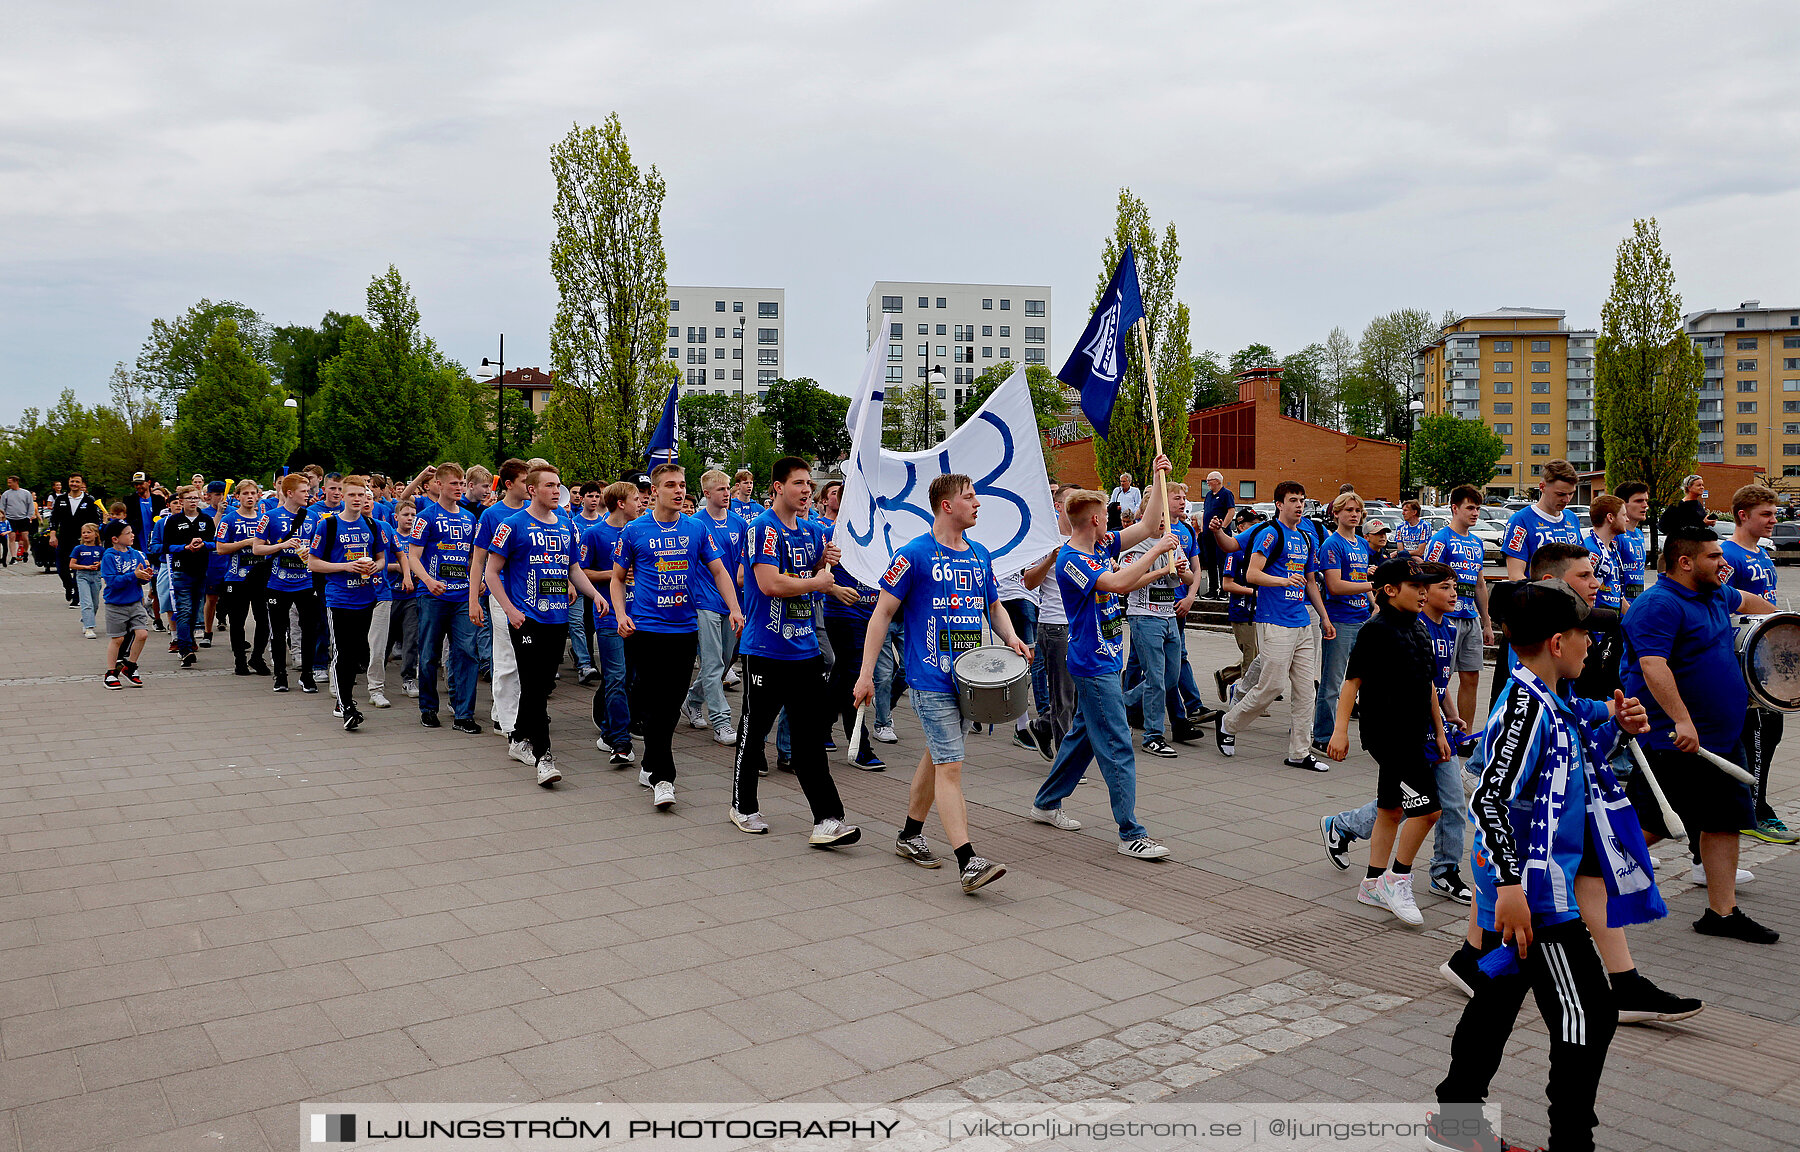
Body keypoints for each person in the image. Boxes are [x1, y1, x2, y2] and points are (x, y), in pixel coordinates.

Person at [1431, 579, 1657, 1152]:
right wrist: (1508, 886)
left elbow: (1568, 765)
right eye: (1585, 634)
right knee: (1591, 1015)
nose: (1592, 646)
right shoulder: (1527, 706)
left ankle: (1455, 1125)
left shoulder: (1547, 699)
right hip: (1534, 892)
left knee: (1497, 1000)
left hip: (1530, 885)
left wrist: (1613, 727)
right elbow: (1489, 797)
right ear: (1559, 642)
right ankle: (1570, 1141)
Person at [856, 472, 1033, 890]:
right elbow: (881, 615)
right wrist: (866, 675)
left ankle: (909, 834)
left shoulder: (979, 555)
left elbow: (994, 606)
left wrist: (1012, 638)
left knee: (938, 757)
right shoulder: (912, 554)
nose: (977, 504)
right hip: (930, 678)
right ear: (946, 505)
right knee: (951, 765)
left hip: (972, 680)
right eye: (970, 497)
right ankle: (968, 860)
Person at [1621, 527, 1779, 943]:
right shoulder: (1657, 604)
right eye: (1713, 557)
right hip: (1675, 741)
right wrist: (1681, 721)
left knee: (1725, 822)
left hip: (1723, 738)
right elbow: (1654, 666)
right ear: (1685, 562)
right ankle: (1572, 896)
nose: (1723, 563)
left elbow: (1750, 602)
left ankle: (1721, 913)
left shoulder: (1716, 594)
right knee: (1647, 828)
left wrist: (1785, 626)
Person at [1030, 475, 1181, 859]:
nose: (1111, 523)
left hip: (1106, 658)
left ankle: (1046, 803)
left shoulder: (1102, 545)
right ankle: (1131, 832)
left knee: (1082, 738)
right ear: (1095, 520)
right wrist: (1157, 551)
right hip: (1092, 663)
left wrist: (1158, 474)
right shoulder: (1071, 561)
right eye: (1106, 515)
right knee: (1116, 744)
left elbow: (1147, 525)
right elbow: (1115, 583)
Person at [1321, 561, 1473, 903]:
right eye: (1415, 586)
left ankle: (1372, 883)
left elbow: (1429, 687)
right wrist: (1339, 731)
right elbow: (1351, 683)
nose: (1423, 592)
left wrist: (1440, 729)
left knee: (1391, 810)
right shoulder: (1375, 630)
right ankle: (1398, 878)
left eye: (1425, 586)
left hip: (1418, 732)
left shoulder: (1419, 627)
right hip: (1388, 735)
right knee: (1429, 810)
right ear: (1390, 590)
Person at [729, 457, 860, 843]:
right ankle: (743, 805)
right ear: (777, 487)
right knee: (755, 733)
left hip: (804, 650)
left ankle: (827, 819)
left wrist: (824, 564)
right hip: (766, 650)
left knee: (809, 736)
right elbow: (770, 584)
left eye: (808, 483)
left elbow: (811, 574)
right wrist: (820, 581)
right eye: (798, 483)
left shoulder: (811, 530)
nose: (806, 490)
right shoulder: (762, 529)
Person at [611, 463, 742, 811]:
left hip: (685, 629)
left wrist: (734, 607)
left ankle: (649, 763)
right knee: (653, 702)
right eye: (671, 485)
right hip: (646, 629)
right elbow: (617, 577)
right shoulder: (635, 530)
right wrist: (621, 614)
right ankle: (663, 777)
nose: (679, 490)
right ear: (655, 491)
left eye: (682, 485)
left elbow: (719, 570)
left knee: (671, 704)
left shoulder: (696, 529)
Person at [485, 465, 610, 786]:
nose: (558, 491)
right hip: (525, 619)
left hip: (557, 618)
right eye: (550, 486)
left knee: (540, 684)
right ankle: (544, 756)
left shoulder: (567, 526)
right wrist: (510, 609)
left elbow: (574, 569)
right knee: (534, 683)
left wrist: (594, 594)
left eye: (559, 486)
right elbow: (491, 572)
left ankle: (518, 738)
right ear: (532, 490)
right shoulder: (512, 525)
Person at [1215, 480, 1336, 769]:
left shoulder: (1306, 538)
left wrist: (1324, 618)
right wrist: (1282, 580)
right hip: (1274, 621)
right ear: (1279, 504)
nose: (1299, 505)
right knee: (1272, 685)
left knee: (1306, 690)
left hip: (1301, 622)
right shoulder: (1268, 534)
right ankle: (1228, 725)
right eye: (1293, 500)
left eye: (1302, 500)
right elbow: (1253, 574)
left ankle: (1299, 752)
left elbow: (1310, 582)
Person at [1720, 484, 1797, 846]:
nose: (1774, 520)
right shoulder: (1727, 555)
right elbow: (1719, 605)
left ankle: (1759, 805)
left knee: (1773, 733)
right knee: (1754, 736)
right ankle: (1752, 811)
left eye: (1774, 512)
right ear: (1742, 516)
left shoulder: (1763, 556)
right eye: (1766, 514)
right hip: (1742, 662)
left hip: (1767, 661)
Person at [1121, 483, 1203, 758]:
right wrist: (1161, 571)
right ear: (1147, 516)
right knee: (1155, 678)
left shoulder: (1171, 541)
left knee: (1170, 677)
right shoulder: (1134, 546)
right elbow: (1128, 582)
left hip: (1169, 618)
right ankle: (1153, 736)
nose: (1163, 524)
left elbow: (1191, 577)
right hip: (1144, 618)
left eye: (1166, 520)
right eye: (1159, 519)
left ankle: (1120, 704)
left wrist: (1182, 572)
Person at [1493, 458, 1585, 707]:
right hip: (1540, 613)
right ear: (1543, 487)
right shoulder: (1521, 521)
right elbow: (1515, 574)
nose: (1566, 500)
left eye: (1570, 494)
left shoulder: (1572, 520)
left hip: (1570, 613)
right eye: (1560, 494)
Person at [306, 476, 386, 732]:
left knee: (358, 653)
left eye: (361, 495)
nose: (357, 499)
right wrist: (345, 566)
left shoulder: (373, 525)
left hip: (366, 596)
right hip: (339, 598)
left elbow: (382, 558)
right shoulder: (328, 526)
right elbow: (313, 563)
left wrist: (375, 566)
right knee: (343, 651)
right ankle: (347, 706)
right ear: (342, 496)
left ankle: (346, 698)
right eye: (351, 495)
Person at [409, 463, 482, 733]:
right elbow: (412, 556)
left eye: (462, 483)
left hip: (462, 596)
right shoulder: (426, 517)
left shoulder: (469, 518)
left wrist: (478, 582)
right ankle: (428, 708)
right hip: (432, 596)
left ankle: (464, 714)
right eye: (454, 483)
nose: (460, 488)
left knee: (466, 653)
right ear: (439, 485)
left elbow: (473, 557)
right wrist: (428, 580)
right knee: (429, 654)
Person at [817, 480, 885, 770]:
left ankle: (820, 726)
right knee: (857, 676)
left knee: (843, 675)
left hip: (872, 616)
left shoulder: (880, 535)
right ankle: (859, 745)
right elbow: (814, 571)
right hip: (844, 616)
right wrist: (833, 589)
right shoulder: (832, 533)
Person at [681, 470, 748, 747]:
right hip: (705, 603)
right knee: (712, 663)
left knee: (724, 661)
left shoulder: (739, 523)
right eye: (720, 489)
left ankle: (692, 700)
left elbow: (744, 563)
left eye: (728, 488)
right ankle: (721, 721)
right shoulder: (695, 523)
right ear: (706, 494)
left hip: (732, 603)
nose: (727, 493)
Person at [1425, 486, 1496, 731]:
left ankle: (1463, 732)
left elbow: (1480, 584)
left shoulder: (1477, 543)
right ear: (1455, 508)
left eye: (1478, 508)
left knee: (1472, 676)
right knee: (1440, 676)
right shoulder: (1441, 539)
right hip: (1446, 619)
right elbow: (1428, 577)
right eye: (1470, 508)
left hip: (1470, 617)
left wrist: (1486, 622)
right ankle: (1433, 728)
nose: (1475, 513)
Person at [579, 482, 638, 766]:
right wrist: (615, 574)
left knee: (628, 678)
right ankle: (620, 740)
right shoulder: (594, 534)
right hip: (608, 617)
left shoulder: (639, 531)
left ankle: (607, 724)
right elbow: (581, 571)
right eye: (636, 499)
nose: (642, 503)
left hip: (638, 615)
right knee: (615, 676)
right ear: (620, 503)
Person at [1311, 492, 1373, 755]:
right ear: (1336, 513)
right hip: (1340, 618)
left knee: (1365, 679)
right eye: (1348, 510)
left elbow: (1358, 577)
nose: (1354, 515)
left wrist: (1373, 601)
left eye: (1357, 511)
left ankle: (1369, 734)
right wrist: (1373, 585)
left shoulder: (1361, 543)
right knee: (1332, 682)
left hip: (1363, 618)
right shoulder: (1332, 545)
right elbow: (1335, 586)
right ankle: (1322, 734)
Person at [471, 459, 530, 734]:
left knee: (526, 657)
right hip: (501, 593)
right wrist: (473, 601)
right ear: (509, 485)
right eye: (524, 481)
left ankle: (505, 709)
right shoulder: (492, 515)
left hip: (531, 595)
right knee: (507, 655)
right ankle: (508, 722)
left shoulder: (534, 512)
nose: (530, 486)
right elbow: (478, 560)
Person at [216, 480, 270, 676]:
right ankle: (240, 661)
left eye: (252, 493)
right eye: (245, 493)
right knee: (237, 621)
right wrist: (246, 542)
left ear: (258, 496)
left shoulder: (264, 519)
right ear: (237, 496)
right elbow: (220, 548)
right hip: (236, 578)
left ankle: (257, 657)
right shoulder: (229, 519)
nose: (249, 497)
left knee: (264, 620)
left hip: (261, 578)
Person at [160, 486, 217, 667]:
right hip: (181, 570)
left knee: (194, 610)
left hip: (201, 571)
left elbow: (214, 543)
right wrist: (185, 547)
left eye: (195, 498)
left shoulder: (206, 520)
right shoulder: (173, 521)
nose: (192, 501)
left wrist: (203, 544)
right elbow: (167, 546)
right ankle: (184, 649)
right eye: (188, 498)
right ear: (181, 501)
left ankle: (189, 639)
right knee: (184, 609)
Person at [1211, 506, 1261, 704]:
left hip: (1259, 612)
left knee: (1260, 656)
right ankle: (1246, 700)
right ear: (1241, 527)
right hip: (1242, 612)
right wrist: (1254, 592)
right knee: (1251, 658)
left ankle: (1225, 676)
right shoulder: (1235, 552)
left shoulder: (1258, 551)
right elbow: (1227, 584)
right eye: (1252, 526)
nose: (1257, 530)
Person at [98, 521, 153, 690]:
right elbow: (112, 581)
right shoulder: (109, 557)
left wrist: (145, 576)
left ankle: (130, 666)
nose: (132, 535)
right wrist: (133, 575)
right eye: (128, 533)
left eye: (132, 532)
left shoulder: (135, 554)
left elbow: (141, 575)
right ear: (115, 538)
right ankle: (111, 672)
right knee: (118, 639)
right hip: (116, 604)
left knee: (142, 634)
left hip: (135, 602)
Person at [569, 482, 607, 686]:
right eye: (590, 496)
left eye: (597, 496)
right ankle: (585, 662)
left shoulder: (604, 522)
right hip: (578, 579)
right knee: (578, 623)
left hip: (598, 584)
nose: (594, 500)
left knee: (592, 624)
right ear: (582, 498)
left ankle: (587, 660)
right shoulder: (574, 523)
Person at [48, 473, 102, 606]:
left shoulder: (89, 500)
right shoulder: (61, 499)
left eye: (77, 482)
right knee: (62, 567)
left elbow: (95, 520)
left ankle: (77, 597)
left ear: (82, 484)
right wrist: (52, 535)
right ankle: (68, 586)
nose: (74, 484)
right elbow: (54, 519)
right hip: (64, 538)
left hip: (82, 539)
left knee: (79, 569)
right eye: (72, 481)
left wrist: (94, 538)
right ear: (68, 482)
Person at [1613, 481, 1651, 604]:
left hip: (1636, 604)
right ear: (1623, 505)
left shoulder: (1639, 534)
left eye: (1646, 501)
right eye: (1639, 501)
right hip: (1619, 608)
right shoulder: (1616, 535)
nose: (1645, 505)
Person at [1199, 471, 1234, 598]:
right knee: (1210, 562)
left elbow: (1231, 511)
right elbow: (1205, 511)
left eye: (1210, 480)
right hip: (1208, 534)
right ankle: (1212, 589)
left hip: (1220, 534)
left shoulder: (1226, 494)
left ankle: (1224, 590)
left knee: (1222, 562)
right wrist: (1203, 527)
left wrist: (1223, 527)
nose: (1207, 482)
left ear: (1218, 481)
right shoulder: (1208, 495)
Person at [69, 523, 104, 638]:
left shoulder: (101, 549)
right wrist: (86, 567)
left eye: (89, 532)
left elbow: (105, 562)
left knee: (95, 604)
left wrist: (99, 564)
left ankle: (86, 620)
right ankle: (89, 627)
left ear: (96, 534)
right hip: (83, 576)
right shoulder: (78, 549)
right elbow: (72, 565)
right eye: (84, 532)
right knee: (86, 602)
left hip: (96, 576)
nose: (86, 535)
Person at [4, 475, 39, 567]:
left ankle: (25, 551)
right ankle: (13, 557)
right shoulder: (6, 494)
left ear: (16, 482)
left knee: (25, 537)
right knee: (11, 537)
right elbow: (2, 506)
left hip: (23, 518)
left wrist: (28, 516)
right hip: (11, 518)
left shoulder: (25, 493)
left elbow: (30, 506)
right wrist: (5, 516)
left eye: (10, 482)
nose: (9, 484)